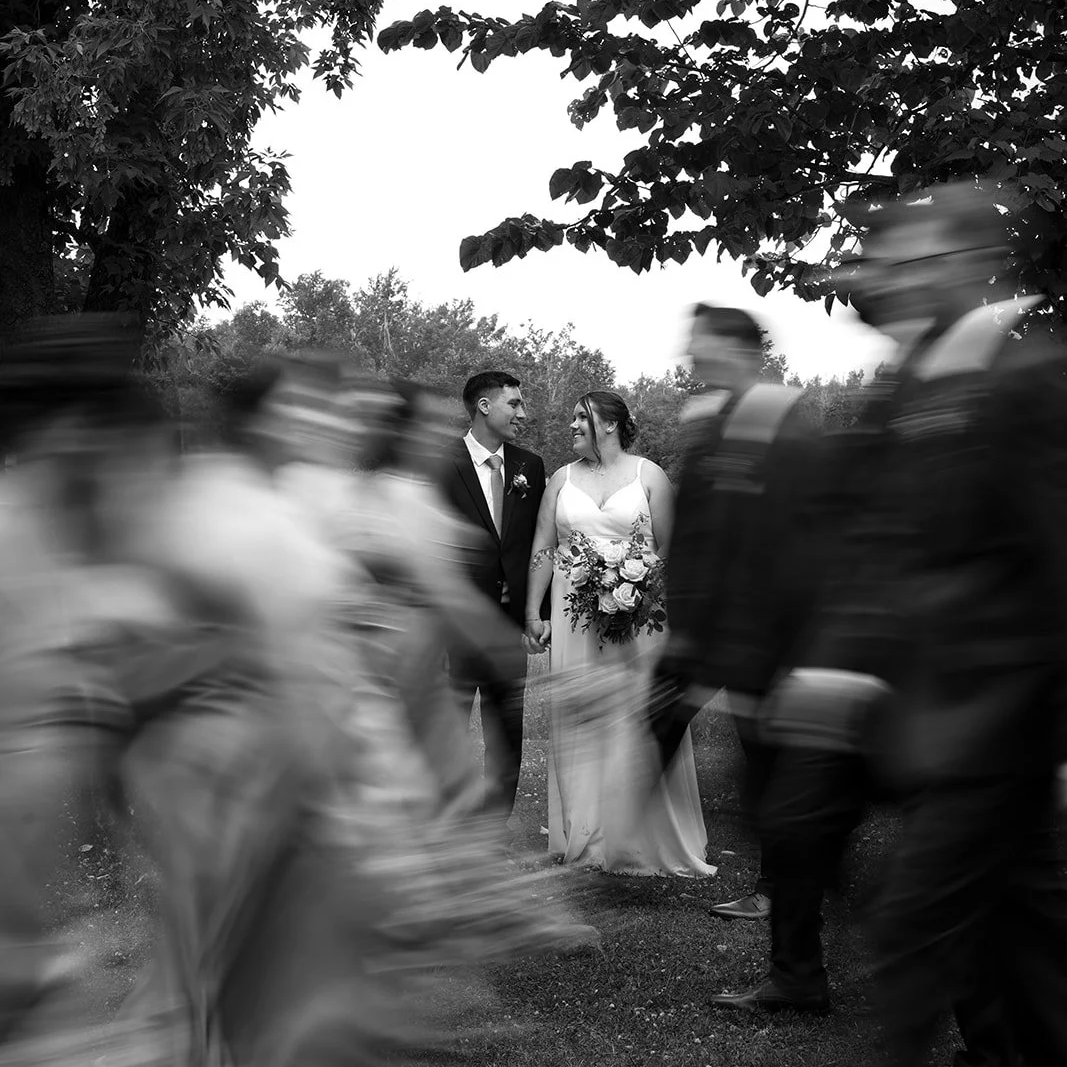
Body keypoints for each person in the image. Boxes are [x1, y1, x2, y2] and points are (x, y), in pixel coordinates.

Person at [745, 183, 1064, 1067]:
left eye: (908, 261)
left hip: (992, 720)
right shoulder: (904, 387)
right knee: (1026, 944)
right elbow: (874, 545)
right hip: (915, 715)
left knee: (914, 927)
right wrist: (829, 669)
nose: (884, 280)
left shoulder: (1025, 380)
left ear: (964, 266)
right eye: (881, 263)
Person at [652, 304, 822, 919]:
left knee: (768, 762)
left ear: (735, 347)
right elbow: (697, 529)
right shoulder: (708, 419)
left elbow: (797, 537)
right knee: (655, 732)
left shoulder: (782, 421)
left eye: (698, 341)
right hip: (700, 631)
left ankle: (783, 893)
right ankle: (608, 852)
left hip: (759, 636)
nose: (688, 354)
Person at [524, 390, 715, 876]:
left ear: (609, 424)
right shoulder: (560, 480)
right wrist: (532, 611)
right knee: (581, 715)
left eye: (579, 418)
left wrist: (641, 589)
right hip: (574, 620)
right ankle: (587, 835)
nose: (570, 426)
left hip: (640, 618)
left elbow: (671, 552)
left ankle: (641, 836)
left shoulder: (649, 475)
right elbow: (544, 550)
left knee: (636, 713)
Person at [440, 371, 546, 823]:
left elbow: (537, 543)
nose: (523, 413)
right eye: (515, 404)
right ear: (485, 407)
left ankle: (492, 832)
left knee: (507, 732)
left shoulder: (530, 466)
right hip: (455, 625)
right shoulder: (439, 462)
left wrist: (533, 612)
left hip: (507, 625)